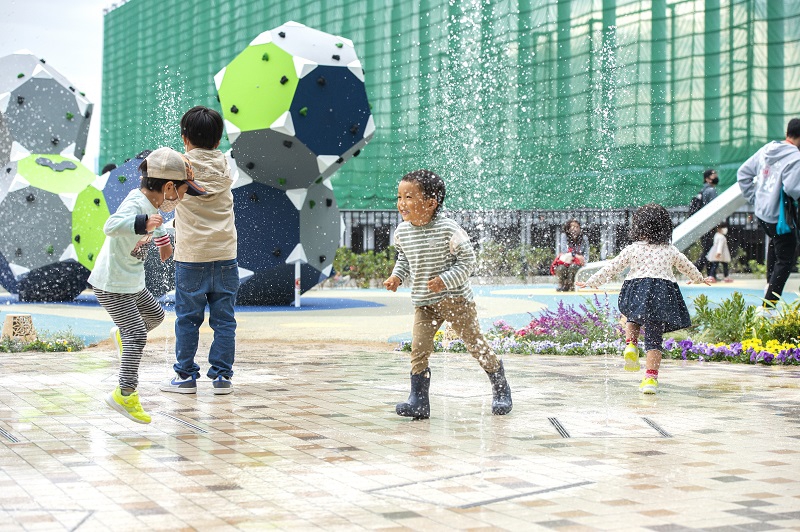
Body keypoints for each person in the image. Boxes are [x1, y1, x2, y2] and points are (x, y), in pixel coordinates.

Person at [383, 169, 512, 418]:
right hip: (424, 302)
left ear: (431, 203)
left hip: (456, 300)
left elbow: (467, 261)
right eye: (399, 197)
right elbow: (404, 259)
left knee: (475, 345)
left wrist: (444, 280)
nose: (401, 203)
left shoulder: (448, 229)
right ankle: (418, 401)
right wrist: (396, 276)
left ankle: (500, 385)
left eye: (409, 197)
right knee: (419, 349)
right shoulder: (403, 232)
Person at [89, 147, 205, 423]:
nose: (182, 197)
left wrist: (164, 243)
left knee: (155, 315)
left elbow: (158, 223)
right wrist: (142, 224)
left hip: (130, 281)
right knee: (137, 334)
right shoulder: (135, 204)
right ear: (168, 188)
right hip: (112, 283)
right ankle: (125, 394)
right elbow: (111, 225)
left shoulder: (150, 204)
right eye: (182, 191)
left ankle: (121, 337)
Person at [576, 204, 708, 394]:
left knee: (632, 316)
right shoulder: (670, 250)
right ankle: (650, 379)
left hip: (636, 289)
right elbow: (686, 266)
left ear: (638, 227)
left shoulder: (633, 249)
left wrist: (591, 281)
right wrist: (699, 279)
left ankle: (631, 345)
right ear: (665, 228)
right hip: (661, 295)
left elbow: (612, 267)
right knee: (655, 339)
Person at [161, 106, 239, 395]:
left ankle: (185, 376)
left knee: (187, 319)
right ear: (218, 141)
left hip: (192, 257)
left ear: (185, 138)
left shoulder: (181, 168)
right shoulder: (225, 165)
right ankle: (221, 377)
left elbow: (167, 202)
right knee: (225, 321)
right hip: (225, 256)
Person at [737, 118, 800, 308]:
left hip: (762, 213)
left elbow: (743, 173)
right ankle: (769, 304)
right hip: (779, 217)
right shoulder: (794, 157)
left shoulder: (767, 149)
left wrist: (755, 198)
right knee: (787, 258)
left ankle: (768, 287)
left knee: (775, 243)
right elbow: (793, 188)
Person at [694, 168, 719, 274]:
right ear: (707, 179)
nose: (716, 177)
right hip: (709, 224)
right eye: (713, 175)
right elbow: (714, 207)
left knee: (707, 247)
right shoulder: (711, 190)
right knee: (709, 249)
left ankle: (708, 272)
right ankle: (696, 269)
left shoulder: (702, 190)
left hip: (702, 223)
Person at [553, 219, 589, 291]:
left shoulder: (584, 238)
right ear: (568, 228)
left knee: (573, 267)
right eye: (572, 227)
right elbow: (564, 250)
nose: (574, 229)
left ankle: (571, 284)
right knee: (561, 268)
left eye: (577, 227)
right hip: (566, 260)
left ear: (579, 228)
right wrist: (576, 255)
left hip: (578, 262)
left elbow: (586, 253)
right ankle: (562, 284)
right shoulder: (564, 236)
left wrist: (584, 260)